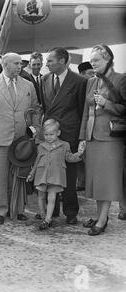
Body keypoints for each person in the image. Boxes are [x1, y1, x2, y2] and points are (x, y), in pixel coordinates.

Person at [0, 52, 39, 225]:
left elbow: (35, 109)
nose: (20, 67)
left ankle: (17, 210)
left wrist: (35, 131)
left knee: (18, 177)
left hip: (21, 140)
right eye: (17, 63)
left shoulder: (28, 85)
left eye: (21, 64)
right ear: (5, 64)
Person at [78, 44, 126, 235]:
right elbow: (85, 112)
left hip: (111, 138)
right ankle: (99, 216)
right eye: (92, 60)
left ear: (108, 60)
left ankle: (103, 219)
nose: (93, 63)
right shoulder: (91, 82)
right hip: (92, 137)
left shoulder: (120, 80)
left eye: (96, 60)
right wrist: (82, 137)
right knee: (95, 180)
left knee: (105, 181)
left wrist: (107, 104)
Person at [41, 47, 87, 224]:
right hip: (49, 134)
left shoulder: (79, 81)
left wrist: (81, 135)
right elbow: (45, 108)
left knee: (68, 175)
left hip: (69, 134)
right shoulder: (44, 79)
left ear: (62, 61)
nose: (47, 64)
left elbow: (82, 110)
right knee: (49, 173)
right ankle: (51, 212)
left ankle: (71, 212)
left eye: (50, 60)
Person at [27, 119, 83, 230]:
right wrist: (31, 174)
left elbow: (69, 157)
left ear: (58, 133)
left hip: (56, 176)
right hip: (42, 174)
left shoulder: (64, 145)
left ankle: (47, 219)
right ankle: (43, 215)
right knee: (41, 196)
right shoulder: (41, 146)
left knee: (52, 197)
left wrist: (80, 154)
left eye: (51, 134)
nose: (48, 137)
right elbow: (37, 161)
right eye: (46, 134)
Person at [76, 61, 94, 191]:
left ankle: (88, 183)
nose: (92, 76)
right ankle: (81, 182)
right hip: (76, 126)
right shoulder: (78, 85)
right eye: (90, 73)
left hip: (87, 127)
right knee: (79, 156)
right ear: (81, 74)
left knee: (87, 157)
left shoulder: (92, 86)